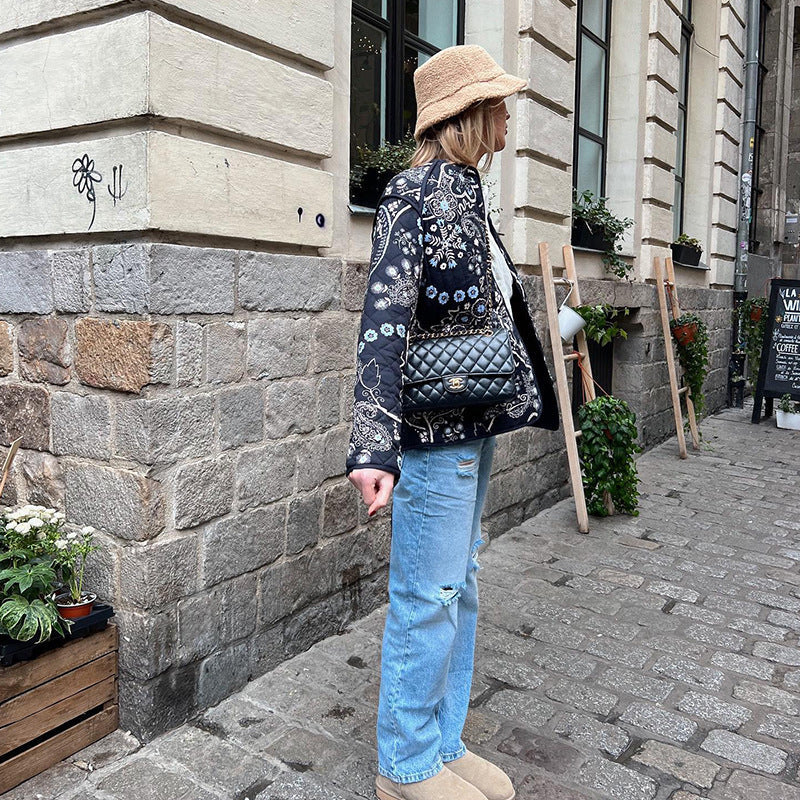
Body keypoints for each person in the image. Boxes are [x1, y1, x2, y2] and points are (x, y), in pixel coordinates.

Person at [346, 44, 559, 800]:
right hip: (433, 433)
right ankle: (403, 767)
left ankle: (442, 743)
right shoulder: (413, 194)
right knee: (427, 595)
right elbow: (383, 322)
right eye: (499, 104)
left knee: (458, 586)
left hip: (473, 422)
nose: (508, 116)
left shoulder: (469, 194)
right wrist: (373, 448)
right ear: (469, 115)